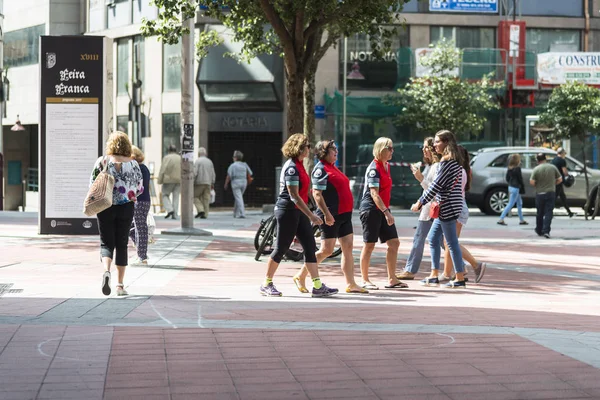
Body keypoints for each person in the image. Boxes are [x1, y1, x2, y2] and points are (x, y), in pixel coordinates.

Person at [260, 133, 338, 298]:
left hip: (299, 210)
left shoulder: (300, 165)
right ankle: (266, 283)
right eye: (307, 146)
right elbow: (294, 196)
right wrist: (311, 215)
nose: (309, 148)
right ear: (299, 148)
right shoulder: (291, 168)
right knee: (281, 247)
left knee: (310, 247)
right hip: (288, 210)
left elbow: (304, 193)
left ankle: (317, 285)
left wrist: (312, 209)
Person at [292, 140, 367, 294]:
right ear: (323, 152)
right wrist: (327, 214)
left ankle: (351, 283)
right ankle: (301, 275)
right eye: (333, 149)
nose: (336, 152)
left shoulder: (334, 168)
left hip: (344, 215)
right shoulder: (320, 170)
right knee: (327, 250)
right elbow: (317, 194)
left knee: (348, 247)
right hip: (331, 216)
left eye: (336, 149)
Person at [410, 130, 467, 289]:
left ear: (446, 143)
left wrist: (420, 202)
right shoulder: (454, 162)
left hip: (446, 207)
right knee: (433, 238)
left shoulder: (446, 163)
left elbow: (435, 186)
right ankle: (434, 275)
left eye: (437, 141)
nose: (434, 145)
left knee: (451, 243)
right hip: (451, 205)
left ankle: (459, 278)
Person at [90, 132, 143, 296]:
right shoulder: (134, 164)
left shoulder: (102, 161)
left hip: (105, 206)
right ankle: (120, 285)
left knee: (106, 242)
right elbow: (140, 188)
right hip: (126, 207)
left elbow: (92, 183)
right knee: (122, 244)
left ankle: (106, 271)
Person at [359, 137, 406, 290]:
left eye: (392, 148)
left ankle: (392, 279)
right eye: (390, 148)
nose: (392, 151)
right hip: (371, 209)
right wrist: (386, 212)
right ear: (381, 149)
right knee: (369, 244)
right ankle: (365, 280)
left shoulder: (387, 165)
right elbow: (374, 193)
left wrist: (386, 211)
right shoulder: (374, 168)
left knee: (394, 243)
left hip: (383, 209)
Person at [441, 146, 486, 284]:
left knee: (451, 242)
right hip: (460, 207)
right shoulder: (462, 170)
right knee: (449, 242)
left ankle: (475, 265)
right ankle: (450, 272)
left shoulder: (457, 171)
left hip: (457, 208)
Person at [397, 137, 440, 280]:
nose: (423, 150)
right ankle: (464, 265)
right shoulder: (430, 166)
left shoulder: (437, 166)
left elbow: (433, 190)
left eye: (426, 147)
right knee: (443, 242)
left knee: (420, 239)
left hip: (432, 210)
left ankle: (410, 270)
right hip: (429, 208)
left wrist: (420, 178)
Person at [128, 146, 151, 265]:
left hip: (139, 201)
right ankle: (140, 249)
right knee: (132, 226)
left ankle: (142, 257)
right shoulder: (144, 168)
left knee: (140, 228)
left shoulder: (139, 168)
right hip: (143, 200)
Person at [531, 153, 562, 238]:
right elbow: (560, 179)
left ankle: (539, 229)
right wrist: (553, 184)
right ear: (545, 159)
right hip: (551, 192)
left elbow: (532, 182)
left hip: (540, 193)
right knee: (549, 212)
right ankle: (546, 231)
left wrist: (538, 185)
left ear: (538, 160)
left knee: (539, 212)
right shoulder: (552, 167)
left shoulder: (536, 169)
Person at [497, 154, 528, 226]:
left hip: (511, 186)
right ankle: (501, 219)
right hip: (516, 187)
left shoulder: (510, 168)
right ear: (517, 160)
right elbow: (520, 179)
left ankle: (521, 220)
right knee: (511, 204)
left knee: (519, 203)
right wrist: (522, 186)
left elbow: (507, 178)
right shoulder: (517, 168)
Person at [224, 150, 252, 219]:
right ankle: (235, 213)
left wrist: (226, 184)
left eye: (233, 157)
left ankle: (242, 213)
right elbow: (250, 173)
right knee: (238, 197)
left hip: (235, 182)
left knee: (239, 198)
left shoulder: (233, 165)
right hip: (244, 182)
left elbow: (229, 176)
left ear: (236, 158)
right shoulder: (244, 164)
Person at [158, 144, 181, 219]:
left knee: (164, 195)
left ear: (169, 150)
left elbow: (163, 169)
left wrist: (160, 180)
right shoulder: (180, 158)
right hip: (179, 180)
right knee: (176, 196)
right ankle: (175, 214)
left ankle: (170, 209)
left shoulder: (167, 157)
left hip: (168, 180)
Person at [193, 147, 216, 219]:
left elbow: (195, 172)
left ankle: (200, 210)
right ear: (205, 154)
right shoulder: (210, 161)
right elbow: (213, 173)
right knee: (206, 199)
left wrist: (192, 181)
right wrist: (212, 182)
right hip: (208, 183)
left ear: (198, 154)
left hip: (199, 182)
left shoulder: (198, 161)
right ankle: (205, 214)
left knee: (194, 196)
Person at [552, 147, 574, 218]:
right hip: (560, 180)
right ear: (562, 153)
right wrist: (568, 175)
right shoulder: (562, 161)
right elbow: (565, 172)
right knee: (555, 197)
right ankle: (549, 212)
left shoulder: (554, 160)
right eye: (564, 153)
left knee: (562, 197)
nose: (565, 154)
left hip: (554, 180)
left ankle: (569, 212)